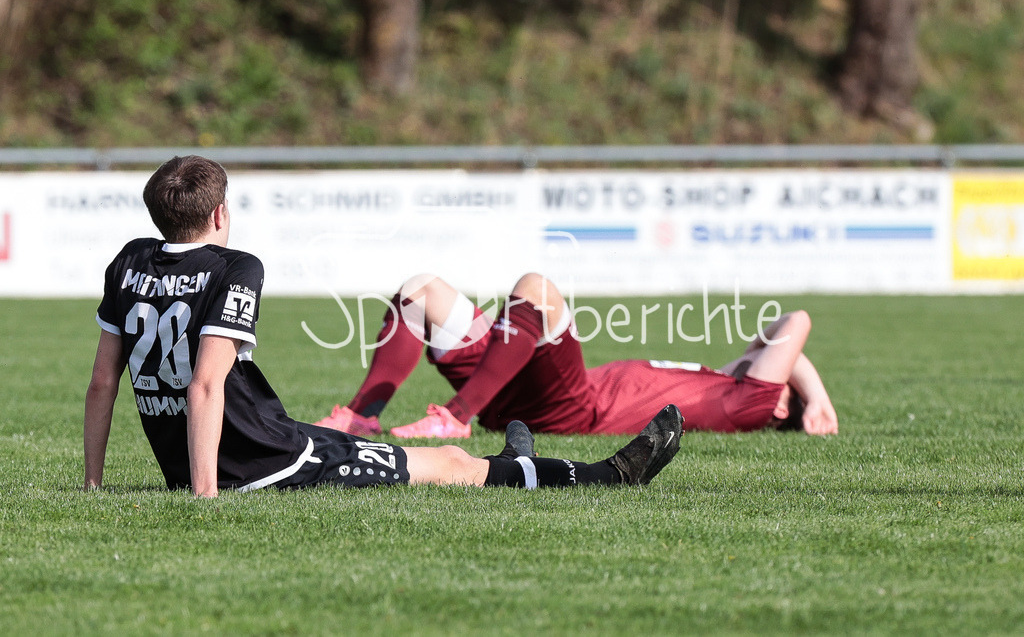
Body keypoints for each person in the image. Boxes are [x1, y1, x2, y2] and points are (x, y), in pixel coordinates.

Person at [83, 156, 682, 498]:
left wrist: (93, 484)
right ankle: (607, 475)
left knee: (438, 456)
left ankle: (517, 460)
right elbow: (206, 386)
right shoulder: (236, 267)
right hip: (267, 460)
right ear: (220, 213)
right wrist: (206, 497)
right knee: (447, 465)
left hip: (256, 440)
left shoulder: (129, 260)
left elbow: (103, 382)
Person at [313, 272, 839, 439]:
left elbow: (795, 326)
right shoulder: (728, 385)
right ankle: (363, 416)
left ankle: (455, 418)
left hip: (569, 406)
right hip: (516, 384)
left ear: (778, 405)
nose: (755, 362)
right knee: (419, 290)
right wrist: (803, 389)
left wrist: (816, 399)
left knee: (536, 289)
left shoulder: (746, 405)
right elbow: (773, 344)